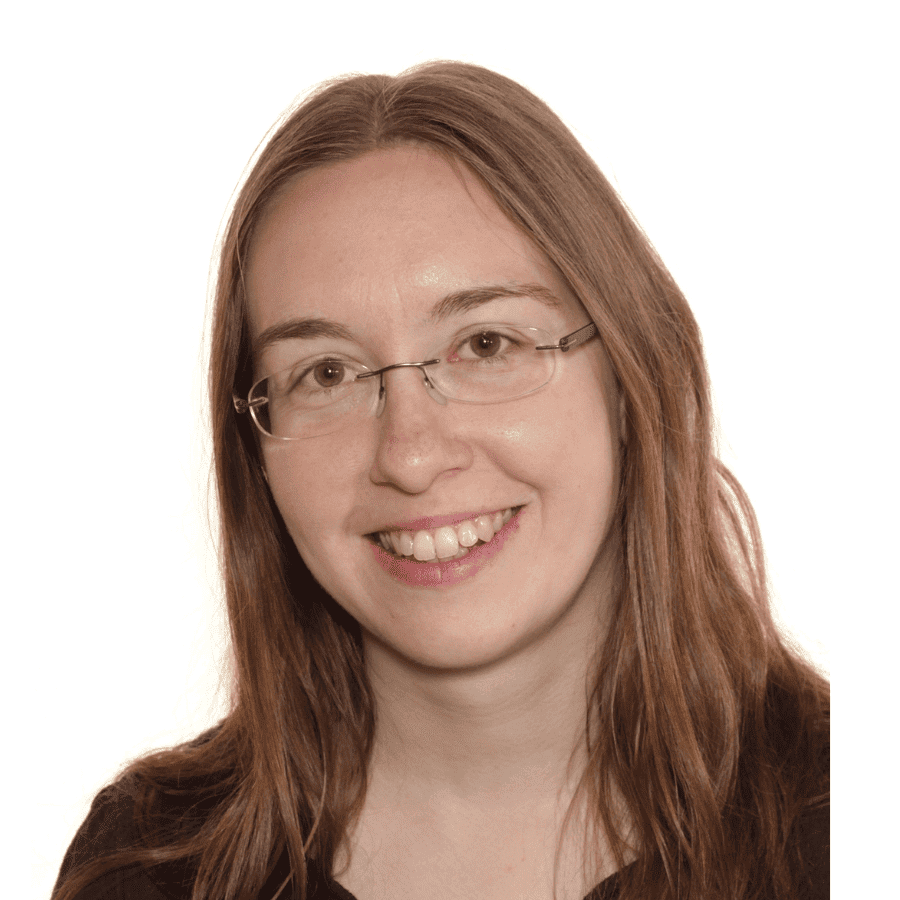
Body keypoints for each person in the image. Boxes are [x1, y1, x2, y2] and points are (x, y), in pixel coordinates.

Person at [52, 61, 829, 900]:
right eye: (326, 373)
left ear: (632, 375)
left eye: (487, 344)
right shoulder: (145, 868)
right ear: (256, 450)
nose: (410, 455)